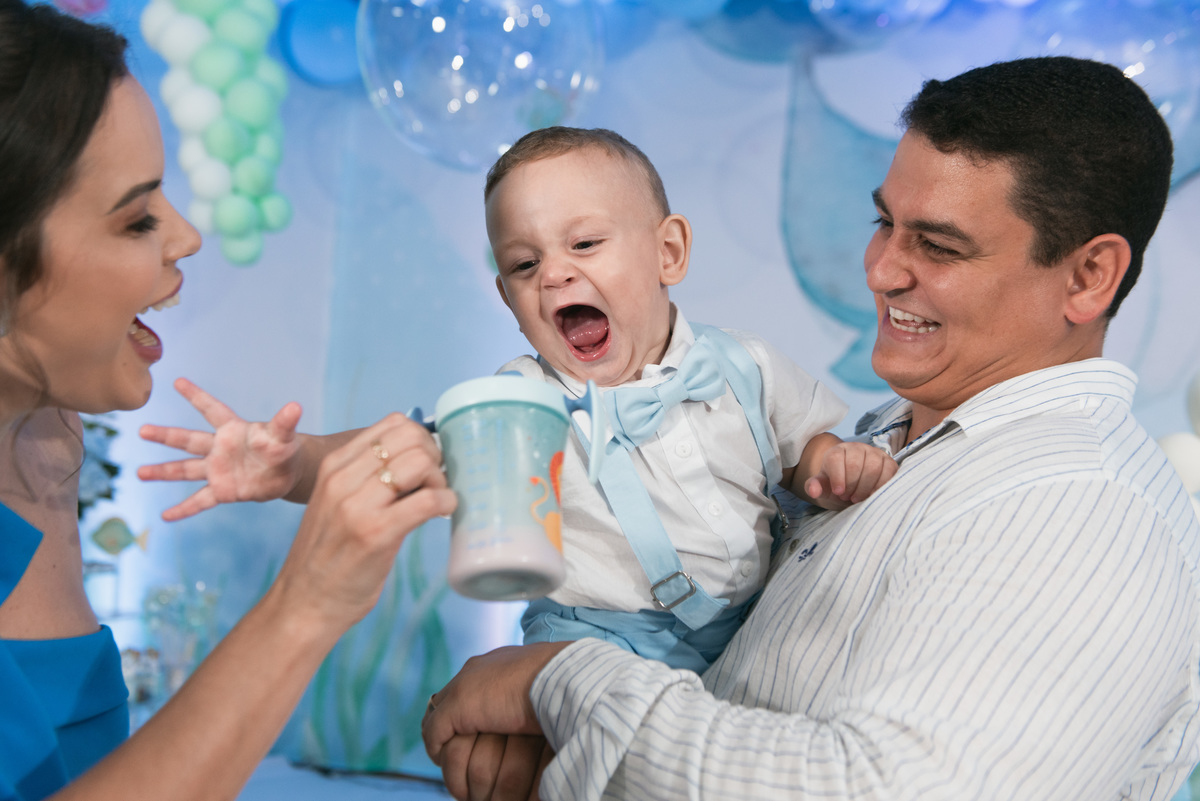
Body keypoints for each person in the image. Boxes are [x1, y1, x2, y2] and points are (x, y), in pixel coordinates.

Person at [420, 56, 1200, 801]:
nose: (880, 269)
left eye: (938, 245)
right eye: (884, 222)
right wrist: (563, 752)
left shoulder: (1080, 509)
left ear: (1088, 276)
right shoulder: (890, 442)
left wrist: (557, 680)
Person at [138, 126, 898, 676]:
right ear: (507, 298)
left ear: (668, 251)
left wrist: (832, 463)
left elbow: (804, 449)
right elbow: (401, 452)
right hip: (596, 640)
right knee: (594, 744)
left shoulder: (744, 366)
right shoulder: (520, 402)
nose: (555, 274)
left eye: (585, 244)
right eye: (525, 264)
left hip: (750, 625)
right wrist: (293, 464)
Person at [0, 3, 456, 799]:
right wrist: (305, 604)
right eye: (137, 218)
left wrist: (303, 465)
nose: (186, 237)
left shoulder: (42, 428)